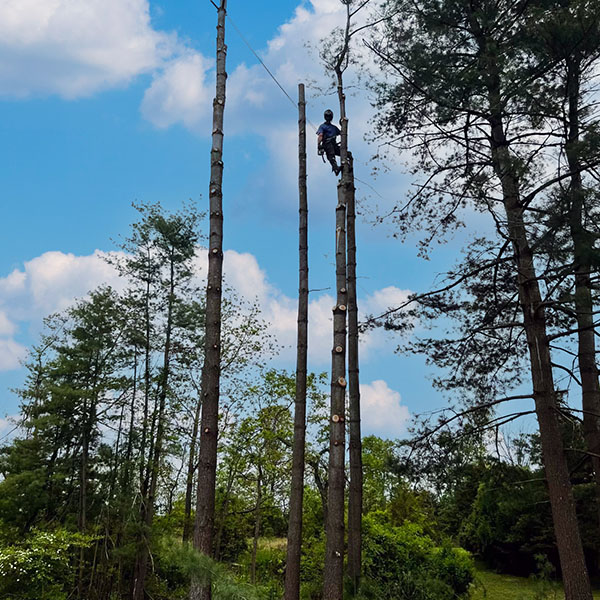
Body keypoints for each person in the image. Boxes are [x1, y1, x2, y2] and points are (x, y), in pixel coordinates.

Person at [317, 109, 342, 176]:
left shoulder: (333, 127)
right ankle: (336, 168)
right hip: (327, 144)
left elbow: (342, 133)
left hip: (334, 145)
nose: (328, 118)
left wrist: (342, 124)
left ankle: (346, 165)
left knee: (342, 152)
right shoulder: (323, 126)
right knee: (331, 155)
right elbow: (320, 135)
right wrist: (319, 145)